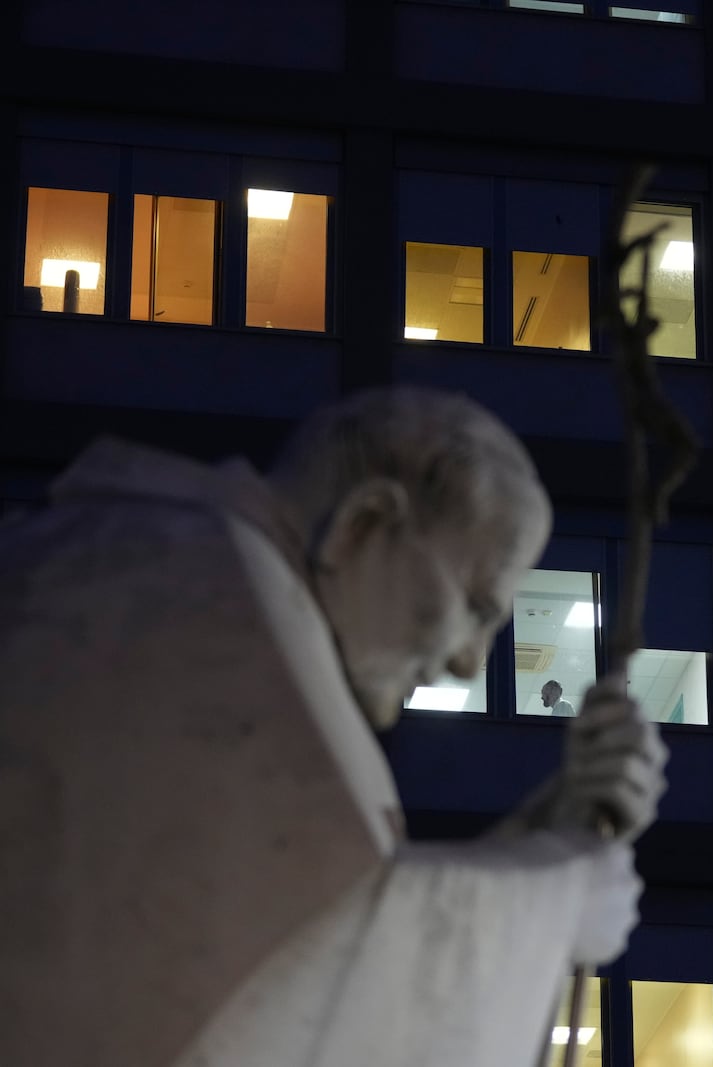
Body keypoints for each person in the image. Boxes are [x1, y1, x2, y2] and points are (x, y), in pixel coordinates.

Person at [0, 387, 668, 1067]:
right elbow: (306, 977)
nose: (471, 659)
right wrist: (561, 899)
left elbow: (268, 916)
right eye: (474, 603)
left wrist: (553, 822)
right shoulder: (214, 611)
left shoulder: (155, 560)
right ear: (363, 525)